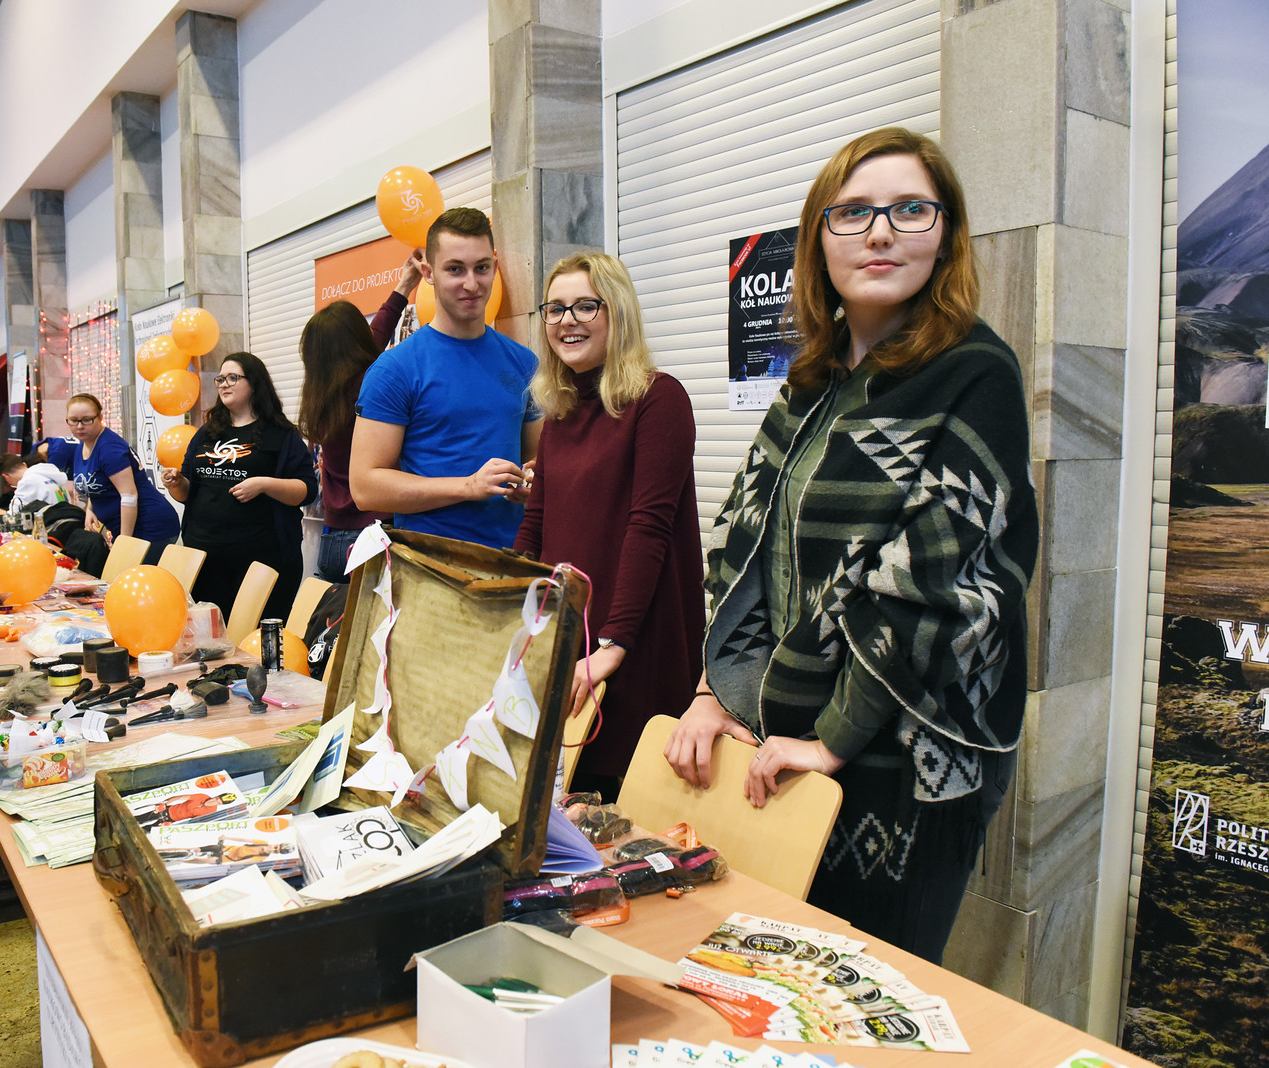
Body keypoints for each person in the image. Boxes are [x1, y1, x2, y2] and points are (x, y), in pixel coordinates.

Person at [663, 128, 1039, 964]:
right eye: (854, 213)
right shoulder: (813, 379)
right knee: (764, 976)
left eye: (910, 210)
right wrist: (715, 693)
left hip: (906, 757)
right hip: (788, 738)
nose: (880, 233)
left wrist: (832, 737)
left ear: (945, 234)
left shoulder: (975, 372)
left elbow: (934, 586)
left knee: (861, 990)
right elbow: (743, 544)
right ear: (818, 239)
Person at [513, 252, 703, 800]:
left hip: (635, 638)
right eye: (555, 309)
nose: (567, 321)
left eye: (585, 306)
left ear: (616, 311)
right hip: (570, 638)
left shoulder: (658, 398)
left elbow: (649, 527)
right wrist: (508, 611)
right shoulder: (560, 413)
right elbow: (536, 526)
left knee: (625, 804)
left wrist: (614, 645)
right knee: (568, 801)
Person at [349, 208, 542, 549]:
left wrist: (531, 482)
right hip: (430, 565)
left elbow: (537, 462)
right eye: (455, 269)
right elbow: (365, 488)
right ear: (428, 273)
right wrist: (468, 487)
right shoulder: (395, 369)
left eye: (481, 268)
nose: (471, 284)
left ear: (495, 267)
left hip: (511, 560)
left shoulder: (524, 362)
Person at [161, 352, 317, 620]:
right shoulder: (207, 432)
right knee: (210, 638)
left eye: (233, 378)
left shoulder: (281, 434)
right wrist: (175, 482)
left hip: (261, 561)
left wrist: (265, 484)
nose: (224, 384)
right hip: (204, 558)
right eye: (220, 379)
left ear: (254, 383)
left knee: (253, 637)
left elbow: (307, 490)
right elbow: (186, 492)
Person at [298, 250, 421, 581]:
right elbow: (374, 343)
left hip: (333, 540)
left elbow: (376, 336)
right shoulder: (370, 384)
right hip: (375, 537)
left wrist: (403, 285)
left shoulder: (318, 395)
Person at [37, 392, 179, 565]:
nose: (80, 426)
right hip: (127, 528)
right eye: (74, 420)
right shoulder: (83, 445)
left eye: (87, 420)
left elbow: (129, 496)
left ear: (100, 418)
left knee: (131, 576)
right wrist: (91, 509)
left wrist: (124, 542)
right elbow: (96, 482)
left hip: (151, 525)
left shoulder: (109, 448)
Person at [0, 453, 69, 517]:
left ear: (5, 476)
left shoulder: (27, 482)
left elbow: (12, 518)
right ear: (24, 464)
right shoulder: (50, 476)